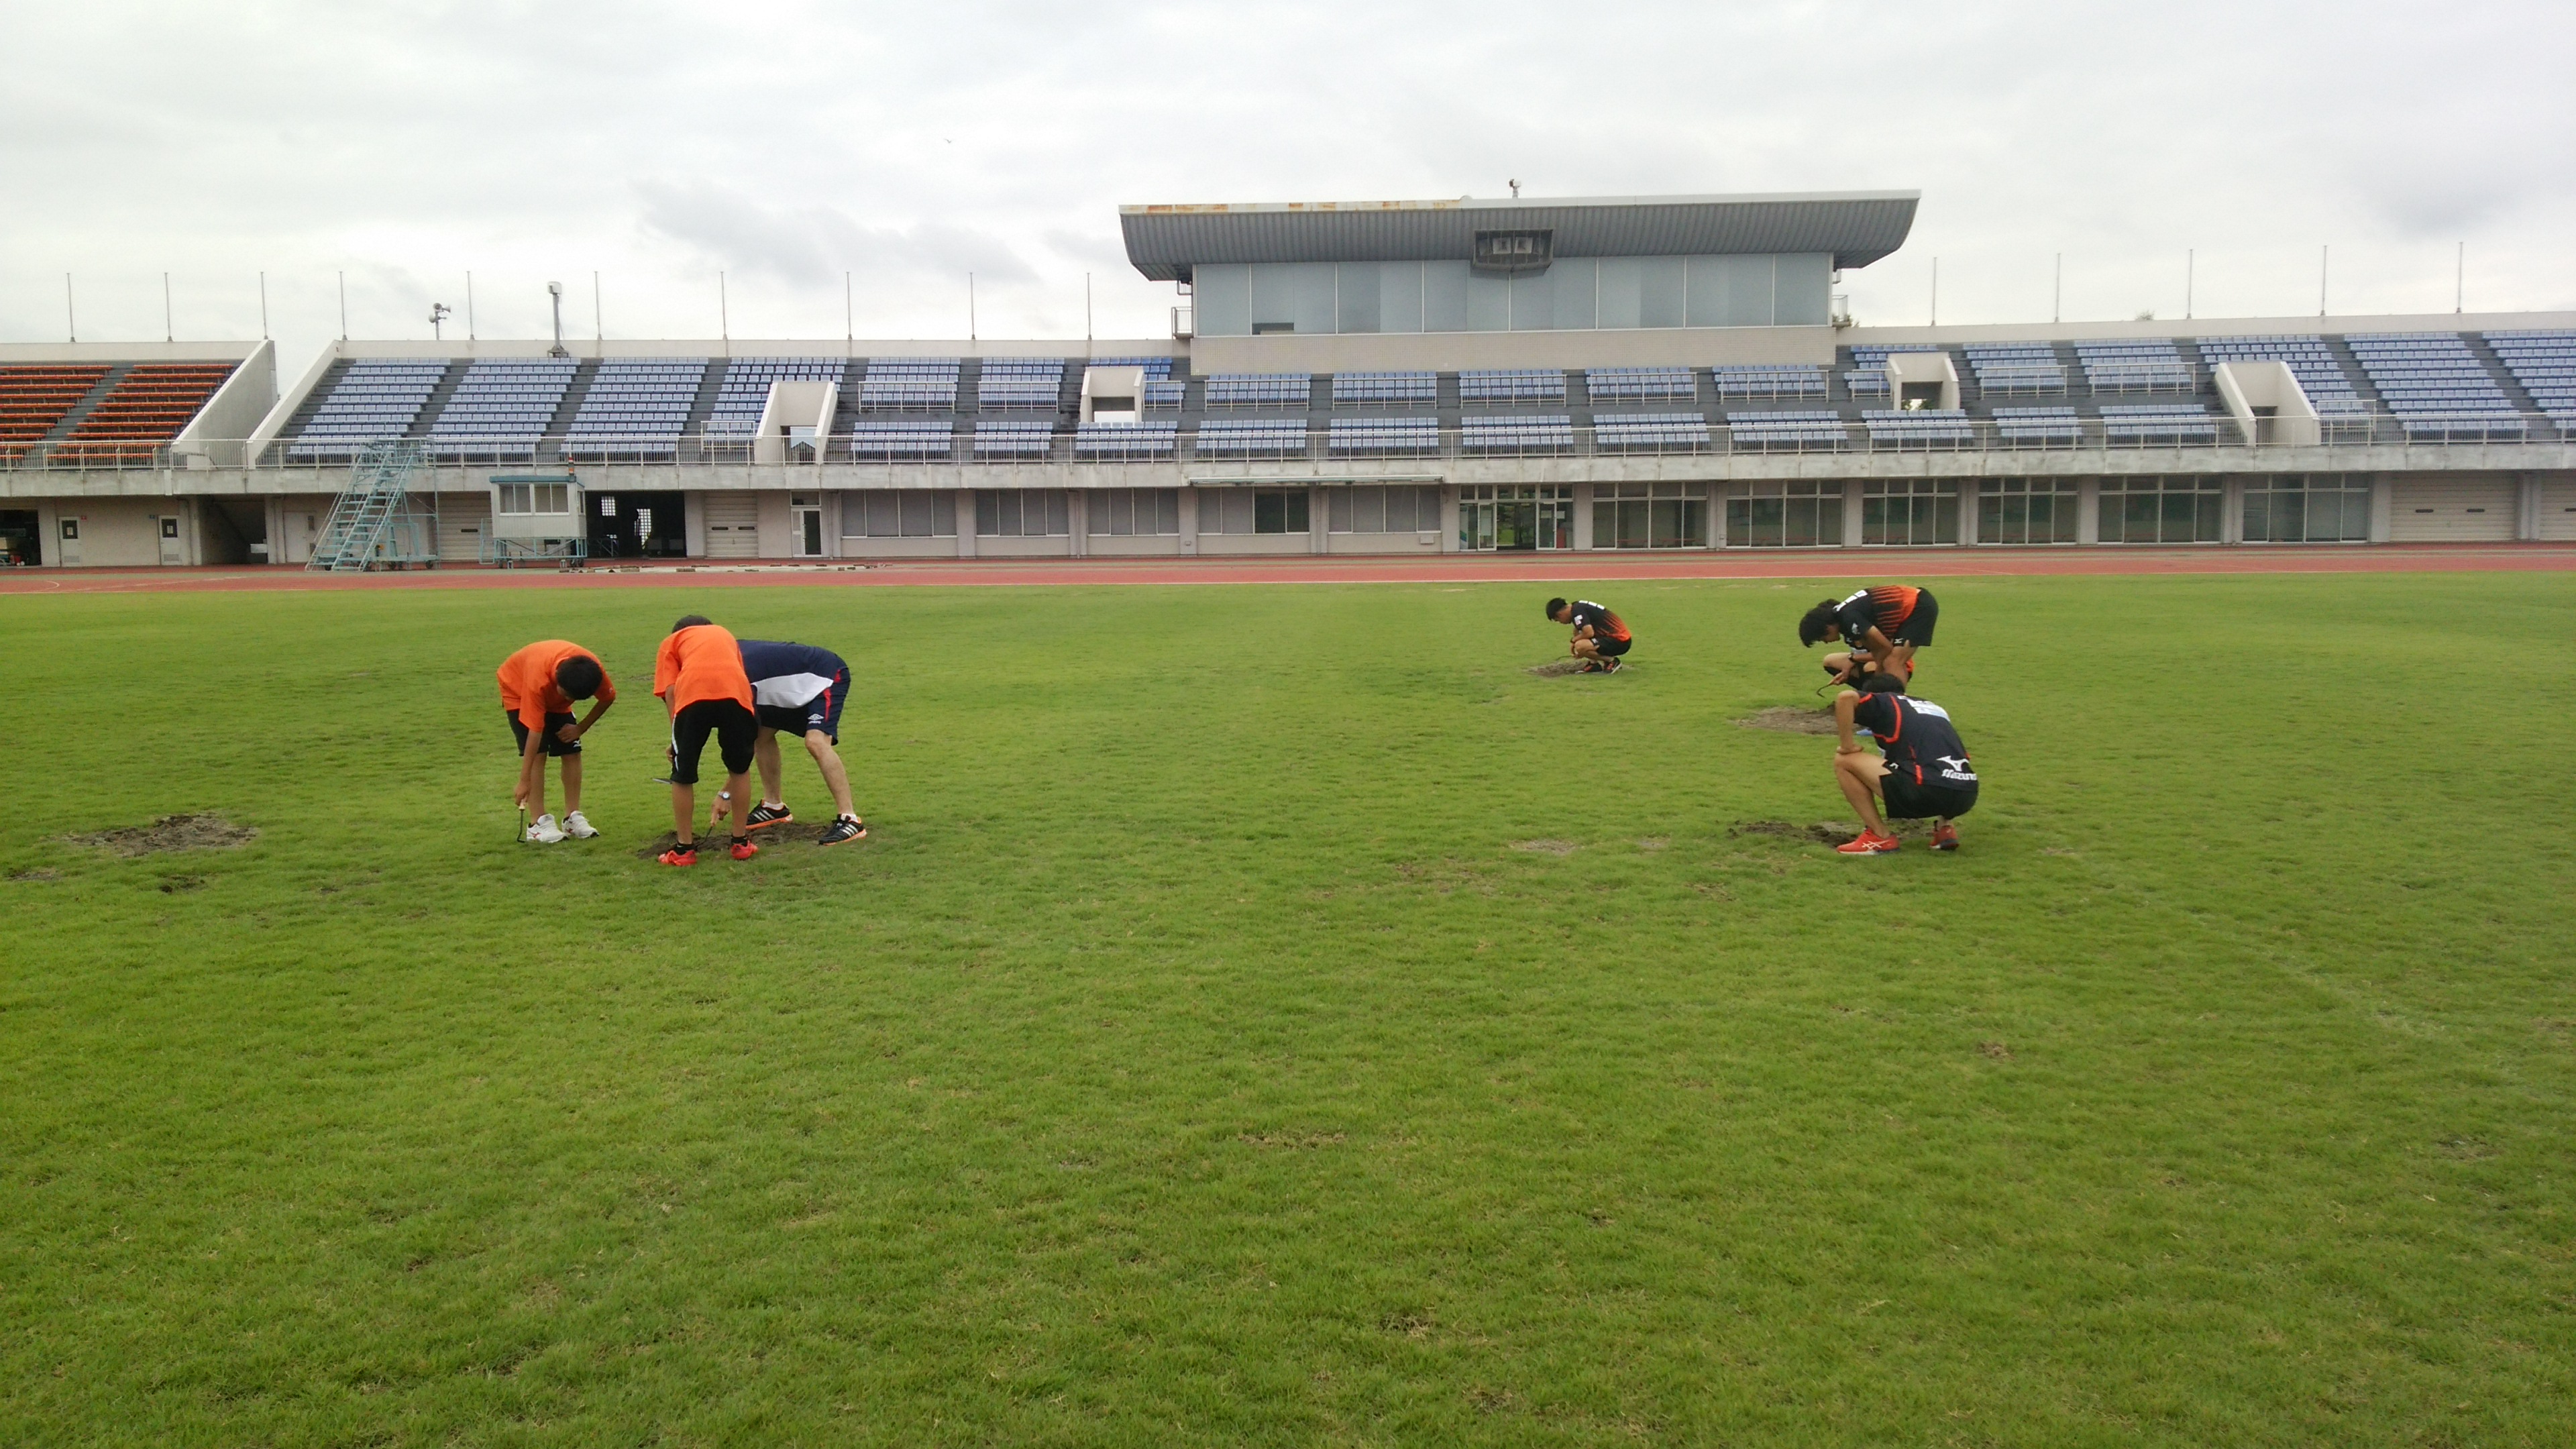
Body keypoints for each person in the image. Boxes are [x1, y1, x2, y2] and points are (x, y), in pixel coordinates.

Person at [705, 639, 868, 847]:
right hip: (788, 687)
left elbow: (743, 744)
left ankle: (850, 819)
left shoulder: (738, 675)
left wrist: (727, 793)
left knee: (816, 742)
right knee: (761, 736)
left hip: (825, 676)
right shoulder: (722, 657)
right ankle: (774, 806)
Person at [653, 614, 760, 866]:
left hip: (693, 695)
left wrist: (675, 735)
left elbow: (670, 691)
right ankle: (740, 843)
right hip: (736, 695)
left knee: (682, 774)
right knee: (740, 769)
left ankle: (684, 850)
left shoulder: (671, 641)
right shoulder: (724, 634)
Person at [1831, 672, 1976, 855]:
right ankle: (1945, 829)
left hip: (1926, 791)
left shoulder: (1885, 701)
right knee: (1934, 767)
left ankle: (1879, 836)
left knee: (1844, 761)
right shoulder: (1935, 708)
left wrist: (1847, 746)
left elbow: (1845, 697)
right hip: (1966, 794)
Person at [496, 639, 614, 843]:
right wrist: (524, 781)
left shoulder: (592, 671)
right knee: (539, 753)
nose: (568, 699)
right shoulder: (538, 680)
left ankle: (572, 818)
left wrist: (580, 729)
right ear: (557, 681)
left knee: (571, 751)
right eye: (566, 695)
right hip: (518, 690)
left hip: (551, 694)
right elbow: (534, 733)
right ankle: (537, 824)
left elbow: (608, 698)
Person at [1799, 585, 1939, 686]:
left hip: (1918, 606)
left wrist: (1877, 680)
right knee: (1890, 661)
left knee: (1893, 661)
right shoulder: (1845, 618)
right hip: (1913, 605)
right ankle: (1885, 701)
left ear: (1828, 627)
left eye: (1821, 638)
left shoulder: (1848, 618)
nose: (1825, 642)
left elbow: (1885, 648)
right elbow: (1878, 651)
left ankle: (1898, 707)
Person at [1546, 597, 1631, 673]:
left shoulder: (1577, 611)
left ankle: (1612, 661)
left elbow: (1589, 633)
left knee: (1580, 645)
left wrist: (1573, 642)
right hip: (1616, 638)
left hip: (1620, 641)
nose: (1561, 623)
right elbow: (1579, 631)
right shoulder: (1577, 607)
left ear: (1559, 614)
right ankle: (1593, 664)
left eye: (1558, 620)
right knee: (1578, 633)